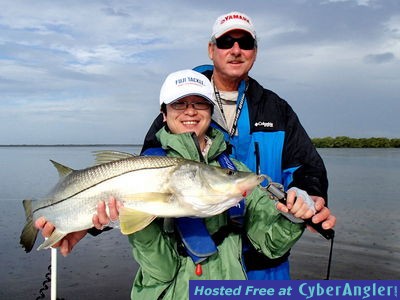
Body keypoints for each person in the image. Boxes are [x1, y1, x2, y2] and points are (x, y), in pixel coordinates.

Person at [36, 69, 317, 299]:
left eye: (199, 103)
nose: (190, 111)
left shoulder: (236, 170)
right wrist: (113, 221)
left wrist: (293, 217)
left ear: (211, 110)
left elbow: (271, 246)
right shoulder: (148, 164)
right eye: (179, 104)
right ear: (164, 113)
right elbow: (160, 270)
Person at [141, 11, 336, 280]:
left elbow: (307, 166)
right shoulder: (180, 107)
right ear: (211, 49)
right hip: (199, 263)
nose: (235, 50)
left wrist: (309, 197)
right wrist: (87, 222)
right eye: (225, 42)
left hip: (268, 258)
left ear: (255, 51)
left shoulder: (277, 108)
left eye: (245, 43)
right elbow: (140, 177)